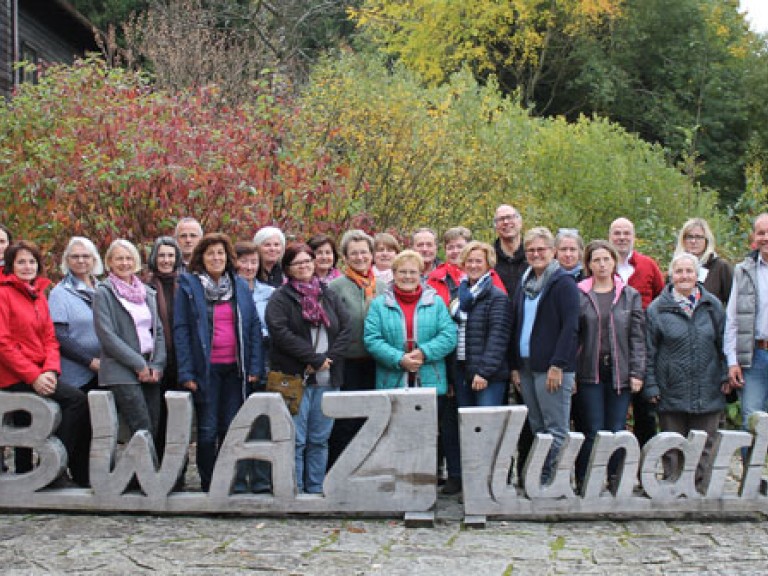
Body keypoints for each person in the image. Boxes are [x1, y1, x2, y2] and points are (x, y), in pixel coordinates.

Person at [175, 233, 265, 493]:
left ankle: (231, 481)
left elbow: (253, 328)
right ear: (202, 258)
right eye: (211, 253)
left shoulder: (239, 286)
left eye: (221, 253)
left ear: (228, 258)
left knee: (231, 427)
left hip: (236, 370)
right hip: (206, 371)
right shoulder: (189, 287)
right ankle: (209, 481)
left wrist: (255, 367)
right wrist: (186, 371)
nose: (216, 258)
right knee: (207, 430)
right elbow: (181, 330)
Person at [364, 250, 457, 487]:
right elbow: (372, 339)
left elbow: (449, 335)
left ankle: (426, 484)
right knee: (395, 434)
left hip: (429, 377)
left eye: (412, 272)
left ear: (420, 274)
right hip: (393, 378)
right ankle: (396, 483)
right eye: (402, 272)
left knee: (428, 435)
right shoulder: (379, 304)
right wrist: (399, 359)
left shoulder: (435, 302)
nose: (407, 276)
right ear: (393, 274)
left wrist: (424, 352)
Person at [0, 241, 90, 486]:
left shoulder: (38, 294)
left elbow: (50, 339)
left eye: (31, 261)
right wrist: (33, 376)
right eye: (21, 262)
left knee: (34, 416)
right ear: (11, 266)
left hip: (42, 372)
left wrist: (50, 370)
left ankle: (42, 472)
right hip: (14, 375)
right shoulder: (3, 293)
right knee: (76, 401)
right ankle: (51, 471)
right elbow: (3, 343)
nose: (27, 266)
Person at [266, 243, 350, 493]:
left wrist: (327, 359)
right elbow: (280, 332)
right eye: (297, 263)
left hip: (328, 378)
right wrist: (313, 358)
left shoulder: (328, 294)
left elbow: (345, 329)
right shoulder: (281, 298)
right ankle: (294, 488)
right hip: (295, 378)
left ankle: (315, 487)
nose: (304, 266)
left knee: (320, 438)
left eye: (308, 261)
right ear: (288, 269)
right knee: (296, 438)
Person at [645, 252, 728, 490]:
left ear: (697, 274)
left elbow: (724, 345)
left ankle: (700, 489)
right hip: (670, 385)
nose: (684, 276)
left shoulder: (712, 306)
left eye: (689, 271)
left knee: (705, 444)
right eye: (679, 271)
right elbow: (648, 351)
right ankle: (673, 486)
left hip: (708, 383)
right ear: (671, 274)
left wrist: (725, 375)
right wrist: (650, 384)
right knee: (672, 443)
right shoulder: (657, 309)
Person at [574, 240, 645, 490]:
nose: (602, 264)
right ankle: (586, 479)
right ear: (589, 265)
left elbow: (637, 337)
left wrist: (637, 372)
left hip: (620, 370)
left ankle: (616, 478)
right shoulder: (580, 293)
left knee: (616, 429)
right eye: (596, 260)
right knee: (592, 429)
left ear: (614, 261)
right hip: (588, 370)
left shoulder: (629, 295)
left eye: (606, 259)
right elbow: (573, 335)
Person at [510, 227, 579, 484]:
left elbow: (571, 327)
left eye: (541, 249)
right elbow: (517, 323)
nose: (536, 254)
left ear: (552, 251)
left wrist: (558, 364)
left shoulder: (562, 283)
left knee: (556, 428)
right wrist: (514, 365)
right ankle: (539, 478)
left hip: (552, 367)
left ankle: (554, 481)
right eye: (531, 250)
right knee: (537, 426)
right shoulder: (525, 282)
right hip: (527, 365)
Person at [447, 241, 512, 494]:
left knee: (486, 430)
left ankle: (489, 485)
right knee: (466, 432)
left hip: (488, 375)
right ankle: (471, 484)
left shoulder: (496, 297)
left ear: (488, 265)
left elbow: (499, 337)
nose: (474, 265)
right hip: (462, 371)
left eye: (479, 261)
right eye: (469, 261)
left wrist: (484, 372)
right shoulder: (459, 297)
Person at [94, 239, 166, 440]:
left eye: (128, 258)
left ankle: (149, 471)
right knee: (142, 429)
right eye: (119, 259)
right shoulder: (103, 293)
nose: (124, 263)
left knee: (154, 426)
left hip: (150, 370)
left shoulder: (147, 293)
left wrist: (157, 364)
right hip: (121, 371)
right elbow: (107, 335)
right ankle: (143, 471)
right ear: (109, 262)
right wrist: (138, 364)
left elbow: (158, 331)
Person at [327, 230, 384, 468]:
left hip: (377, 361)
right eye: (354, 253)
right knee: (346, 420)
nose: (360, 257)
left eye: (364, 252)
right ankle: (338, 467)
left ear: (371, 255)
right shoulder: (336, 287)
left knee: (372, 418)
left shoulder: (381, 285)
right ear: (345, 257)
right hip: (347, 362)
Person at [609, 217, 665, 447]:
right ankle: (615, 468)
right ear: (609, 237)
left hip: (644, 346)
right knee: (614, 414)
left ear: (633, 237)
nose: (622, 238)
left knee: (645, 413)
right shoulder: (602, 265)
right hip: (611, 346)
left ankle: (645, 470)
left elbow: (662, 298)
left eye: (626, 233)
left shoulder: (648, 265)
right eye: (617, 233)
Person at [234, 239, 274, 493]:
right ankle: (236, 476)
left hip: (265, 360)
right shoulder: (228, 291)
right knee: (237, 422)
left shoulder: (269, 293)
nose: (249, 266)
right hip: (235, 362)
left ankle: (260, 477)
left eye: (253, 262)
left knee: (262, 422)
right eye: (244, 261)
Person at [725, 213, 768, 442]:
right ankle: (752, 478)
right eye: (761, 233)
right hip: (755, 356)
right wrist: (732, 361)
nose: (766, 237)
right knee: (752, 421)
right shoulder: (744, 271)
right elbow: (732, 318)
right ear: (754, 237)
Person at [49, 237, 104, 394]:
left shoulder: (103, 289)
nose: (81, 260)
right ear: (67, 260)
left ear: (94, 259)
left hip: (107, 370)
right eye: (75, 256)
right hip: (78, 373)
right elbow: (59, 336)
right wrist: (90, 361)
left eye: (85, 256)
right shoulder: (59, 293)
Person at [144, 237, 182, 463]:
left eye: (170, 255)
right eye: (161, 255)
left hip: (181, 361)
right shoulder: (144, 286)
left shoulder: (186, 284)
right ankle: (154, 464)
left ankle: (176, 467)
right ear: (154, 258)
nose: (166, 260)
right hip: (156, 360)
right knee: (157, 418)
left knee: (178, 419)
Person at [674, 218, 733, 305]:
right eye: (689, 237)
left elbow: (734, 302)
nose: (693, 241)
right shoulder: (676, 267)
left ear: (707, 240)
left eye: (698, 237)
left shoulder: (720, 267)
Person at [493, 204, 527, 297]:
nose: (506, 222)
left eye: (510, 217)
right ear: (495, 226)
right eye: (501, 219)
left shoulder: (533, 254)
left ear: (520, 222)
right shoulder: (488, 258)